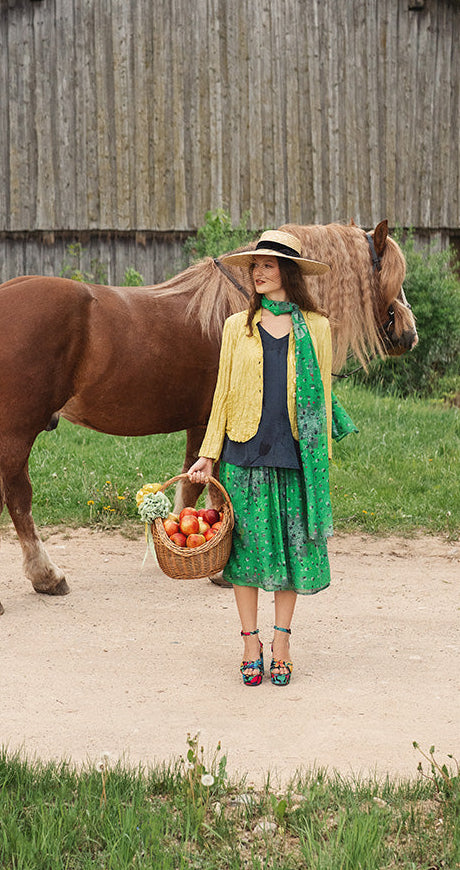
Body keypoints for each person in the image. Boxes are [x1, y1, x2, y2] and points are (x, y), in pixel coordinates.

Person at [188, 230, 344, 688]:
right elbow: (221, 396)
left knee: (291, 554)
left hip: (293, 455)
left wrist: (322, 464)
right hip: (243, 454)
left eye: (268, 265)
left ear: (288, 273)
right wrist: (208, 455)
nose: (258, 272)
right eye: (254, 265)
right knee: (246, 556)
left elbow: (323, 399)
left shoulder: (317, 327)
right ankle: (249, 643)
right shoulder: (238, 327)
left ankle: (282, 644)